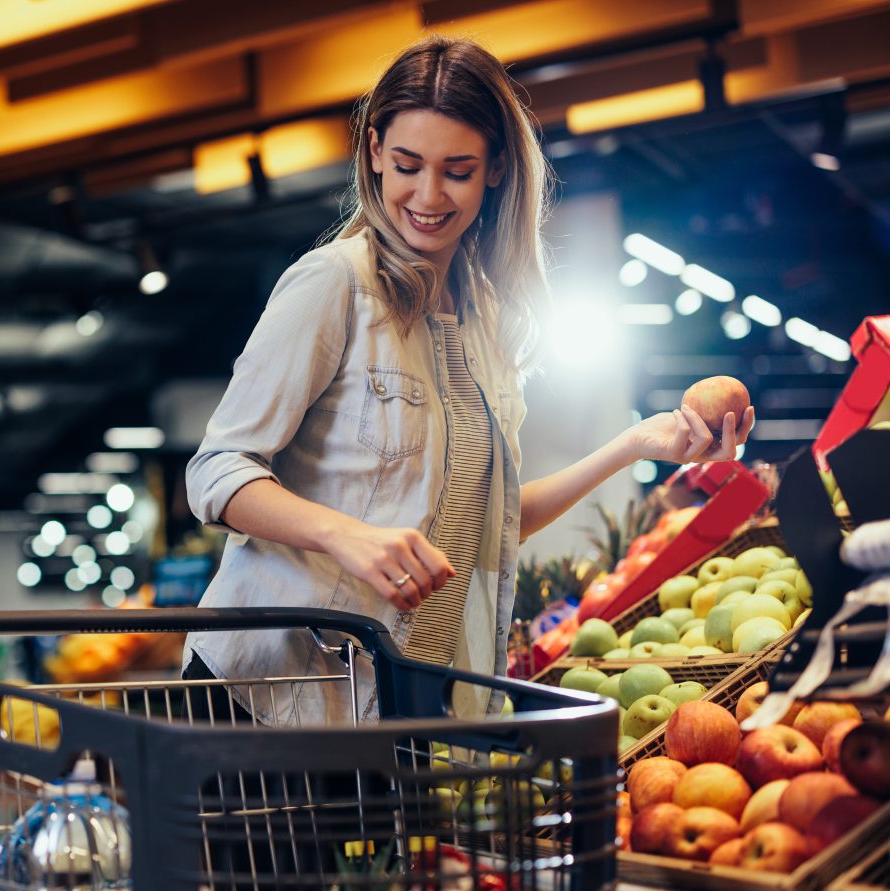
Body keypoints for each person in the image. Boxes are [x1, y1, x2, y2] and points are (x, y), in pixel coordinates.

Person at [182, 36, 754, 725]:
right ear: (372, 153)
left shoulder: (483, 319)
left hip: (402, 700)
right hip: (273, 696)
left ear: (497, 170)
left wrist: (631, 445)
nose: (427, 195)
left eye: (457, 170)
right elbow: (216, 472)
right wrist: (346, 535)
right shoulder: (333, 285)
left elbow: (490, 524)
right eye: (406, 165)